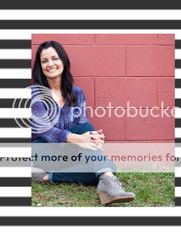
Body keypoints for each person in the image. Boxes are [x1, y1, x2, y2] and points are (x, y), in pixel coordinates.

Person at [31, 40, 135, 205]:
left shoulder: (76, 93)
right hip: (41, 151)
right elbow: (46, 131)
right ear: (40, 66)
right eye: (45, 61)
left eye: (54, 58)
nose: (50, 64)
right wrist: (80, 139)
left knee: (107, 165)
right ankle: (108, 181)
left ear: (63, 61)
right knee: (102, 164)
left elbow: (82, 124)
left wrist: (93, 138)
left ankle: (103, 179)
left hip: (67, 152)